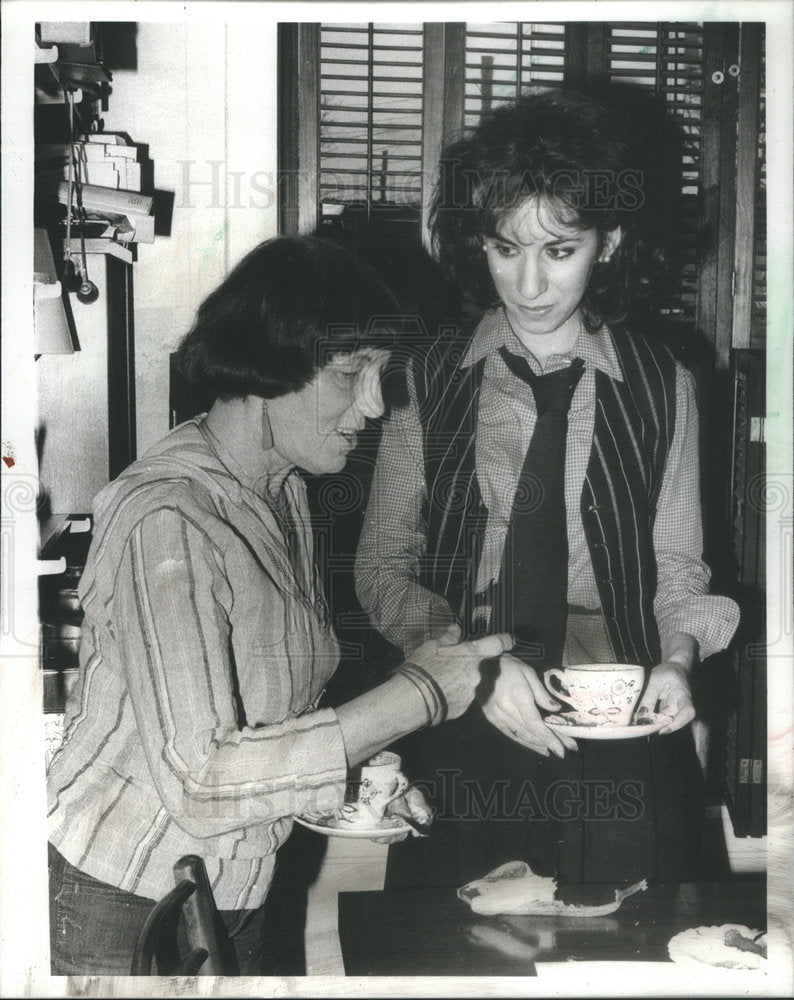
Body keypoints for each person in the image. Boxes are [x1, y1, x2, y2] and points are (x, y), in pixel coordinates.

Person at [46, 236, 511, 975]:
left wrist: (360, 783)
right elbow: (202, 778)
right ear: (267, 368)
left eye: (380, 374)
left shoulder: (281, 488)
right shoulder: (172, 516)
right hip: (128, 901)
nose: (375, 405)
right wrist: (415, 696)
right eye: (350, 373)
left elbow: (267, 712)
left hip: (234, 890)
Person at [355, 89, 740, 889]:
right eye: (505, 248)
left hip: (619, 709)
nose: (527, 284)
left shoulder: (664, 385)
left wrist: (677, 660)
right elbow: (383, 565)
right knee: (462, 946)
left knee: (632, 933)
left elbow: (678, 563)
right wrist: (473, 665)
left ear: (610, 243)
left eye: (558, 251)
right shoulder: (424, 381)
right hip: (464, 699)